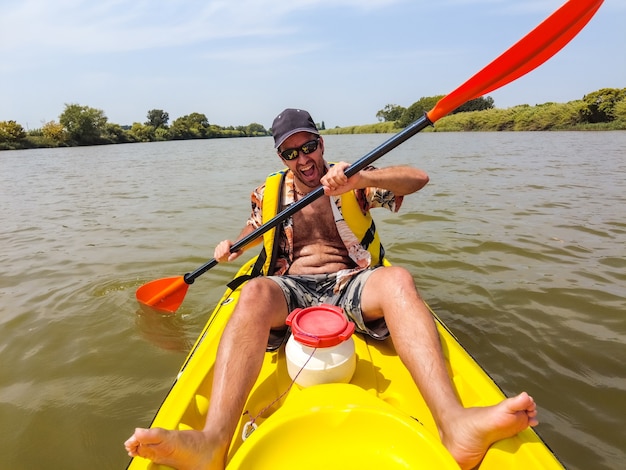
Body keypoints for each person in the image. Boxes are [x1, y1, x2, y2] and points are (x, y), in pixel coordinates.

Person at [125, 108, 538, 470]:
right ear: (280, 156)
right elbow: (255, 228)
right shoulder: (267, 192)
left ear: (321, 143)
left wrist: (361, 176)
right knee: (251, 293)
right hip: (293, 285)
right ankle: (212, 442)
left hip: (350, 280)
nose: (303, 160)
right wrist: (232, 246)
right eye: (291, 153)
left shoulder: (352, 179)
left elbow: (418, 179)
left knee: (399, 279)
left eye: (309, 147)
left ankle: (455, 423)